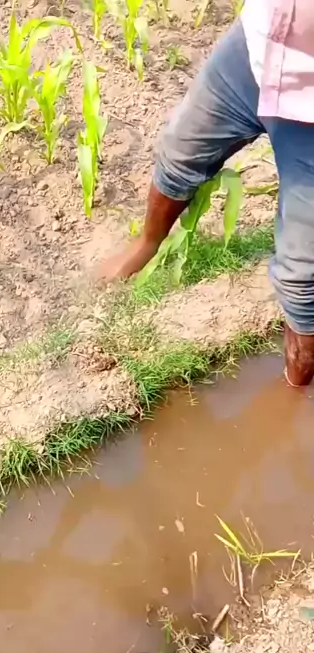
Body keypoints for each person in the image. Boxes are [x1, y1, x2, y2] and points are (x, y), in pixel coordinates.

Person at [101, 1, 314, 387]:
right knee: (180, 149)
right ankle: (147, 242)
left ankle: (296, 385)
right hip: (258, 44)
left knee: (303, 273)